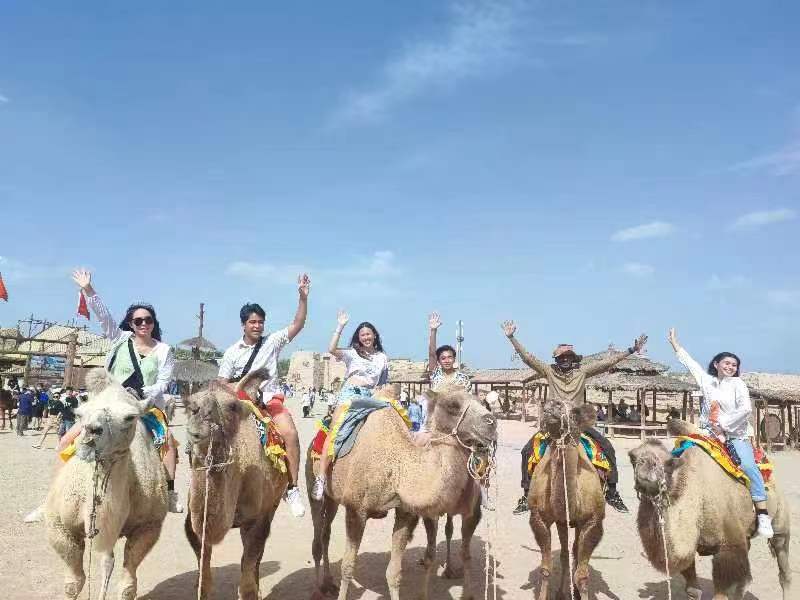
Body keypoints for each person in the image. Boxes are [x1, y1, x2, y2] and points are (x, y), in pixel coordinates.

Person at [503, 320, 647, 515]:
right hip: (554, 425)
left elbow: (607, 363)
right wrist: (512, 338)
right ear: (556, 359)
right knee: (527, 451)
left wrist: (631, 349)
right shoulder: (548, 371)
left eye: (568, 356)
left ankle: (612, 493)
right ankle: (527, 495)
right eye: (561, 357)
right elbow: (528, 358)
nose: (565, 359)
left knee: (608, 448)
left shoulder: (582, 372)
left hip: (578, 424)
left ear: (573, 358)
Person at [71, 269, 182, 513]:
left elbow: (164, 382)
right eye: (138, 321)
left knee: (167, 443)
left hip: (145, 406)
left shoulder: (164, 350)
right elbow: (103, 316)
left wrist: (143, 391)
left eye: (148, 320)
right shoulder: (119, 338)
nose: (143, 324)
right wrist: (89, 289)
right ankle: (55, 498)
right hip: (109, 405)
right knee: (67, 441)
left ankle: (170, 491)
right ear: (130, 323)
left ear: (154, 323)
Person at [217, 273, 310, 519]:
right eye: (253, 322)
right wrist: (241, 389)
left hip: (269, 401)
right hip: (241, 404)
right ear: (243, 325)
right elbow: (222, 383)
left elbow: (298, 323)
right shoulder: (232, 353)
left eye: (260, 322)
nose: (257, 326)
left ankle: (292, 488)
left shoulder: (273, 342)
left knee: (290, 433)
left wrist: (302, 298)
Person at [668, 327, 773, 538]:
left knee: (747, 465)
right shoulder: (707, 381)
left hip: (734, 435)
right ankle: (669, 498)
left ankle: (762, 514)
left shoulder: (738, 384)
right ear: (716, 364)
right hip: (707, 434)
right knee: (678, 455)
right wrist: (675, 344)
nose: (730, 367)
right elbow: (690, 364)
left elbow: (745, 410)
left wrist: (723, 425)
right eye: (727, 363)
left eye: (734, 365)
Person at [311, 311, 390, 500]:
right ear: (358, 338)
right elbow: (331, 349)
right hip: (351, 395)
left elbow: (383, 383)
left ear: (375, 335)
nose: (366, 337)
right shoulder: (352, 353)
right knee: (336, 432)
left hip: (371, 397)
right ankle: (321, 477)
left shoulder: (382, 357)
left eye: (368, 334)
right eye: (362, 335)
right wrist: (340, 326)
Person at [427, 312, 472, 393]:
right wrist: (433, 330)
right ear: (438, 361)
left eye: (450, 357)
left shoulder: (463, 378)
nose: (447, 361)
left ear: (454, 359)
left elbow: (468, 398)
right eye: (443, 358)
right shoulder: (436, 374)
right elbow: (432, 355)